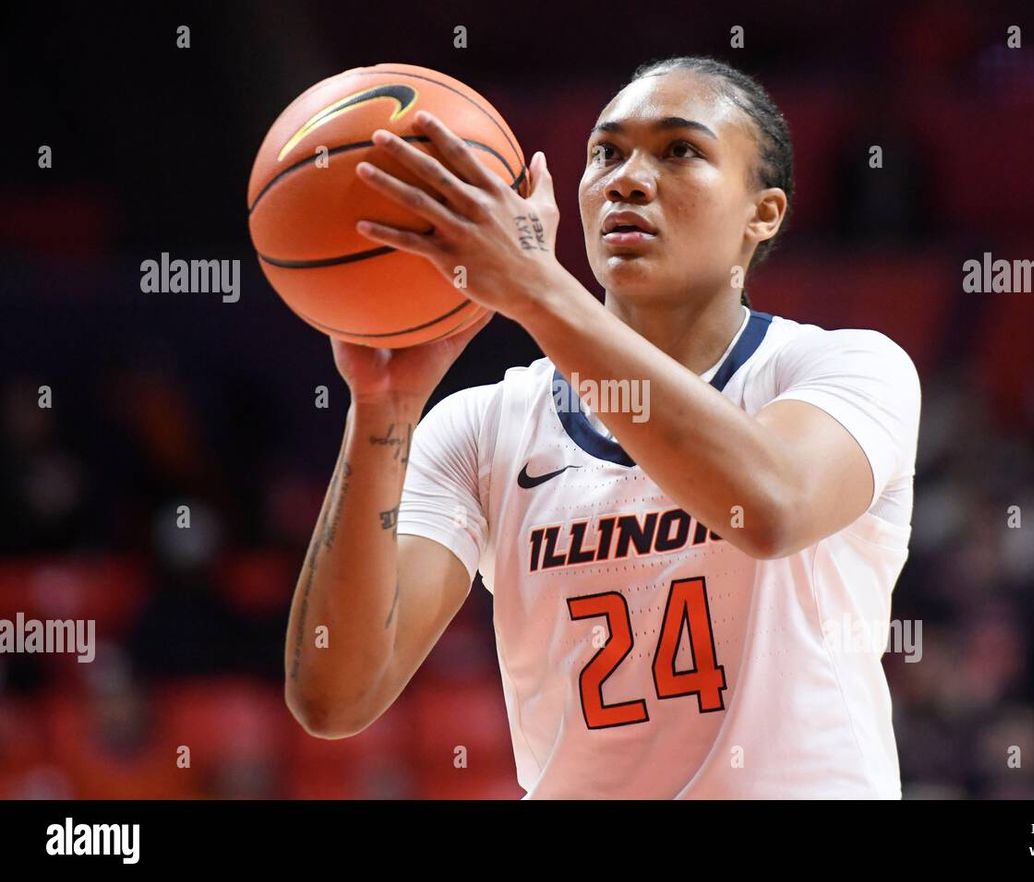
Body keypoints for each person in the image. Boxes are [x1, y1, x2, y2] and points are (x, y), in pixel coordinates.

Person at [284, 55, 921, 799]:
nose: (627, 177)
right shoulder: (482, 428)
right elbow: (335, 698)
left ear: (763, 213)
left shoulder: (844, 370)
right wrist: (381, 408)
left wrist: (534, 288)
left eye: (680, 150)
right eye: (605, 153)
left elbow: (771, 508)